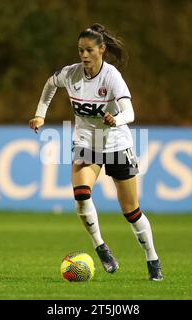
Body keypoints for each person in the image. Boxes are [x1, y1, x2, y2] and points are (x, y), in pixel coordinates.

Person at [29, 23, 163, 281]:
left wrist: (118, 119)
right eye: (80, 50)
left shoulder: (111, 76)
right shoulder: (71, 74)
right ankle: (101, 247)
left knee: (131, 211)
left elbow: (130, 112)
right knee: (81, 195)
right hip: (86, 144)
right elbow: (50, 85)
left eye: (89, 50)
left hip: (116, 145)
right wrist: (39, 114)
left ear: (102, 49)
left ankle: (152, 259)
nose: (84, 55)